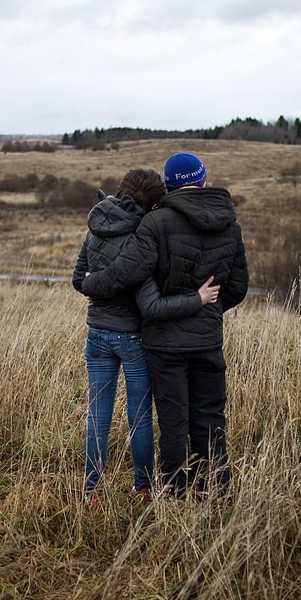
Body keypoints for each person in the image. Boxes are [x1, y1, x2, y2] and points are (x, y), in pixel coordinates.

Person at [80, 152, 248, 498]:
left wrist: (89, 283)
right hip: (206, 340)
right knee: (210, 418)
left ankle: (176, 494)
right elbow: (238, 287)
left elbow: (126, 273)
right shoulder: (230, 224)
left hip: (164, 343)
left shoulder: (155, 224)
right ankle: (216, 493)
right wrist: (208, 310)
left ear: (169, 186)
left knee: (173, 422)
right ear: (203, 179)